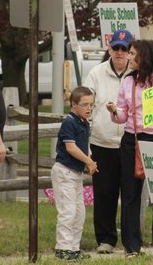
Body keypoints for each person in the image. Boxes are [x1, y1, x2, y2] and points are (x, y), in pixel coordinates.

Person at [107, 40, 153, 258]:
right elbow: (121, 117)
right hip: (132, 140)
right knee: (130, 194)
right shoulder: (127, 82)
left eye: (132, 53)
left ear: (144, 56)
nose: (128, 57)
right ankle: (132, 247)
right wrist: (114, 111)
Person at [85, 29, 134, 254]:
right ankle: (106, 239)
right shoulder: (96, 73)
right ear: (109, 49)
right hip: (102, 142)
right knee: (104, 193)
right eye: (116, 48)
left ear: (131, 51)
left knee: (130, 193)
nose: (120, 53)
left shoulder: (137, 75)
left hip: (130, 142)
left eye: (125, 49)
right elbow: (85, 106)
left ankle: (131, 239)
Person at [51, 87, 97, 261]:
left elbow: (84, 147)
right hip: (64, 172)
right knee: (68, 211)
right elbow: (71, 148)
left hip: (76, 173)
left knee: (79, 212)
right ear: (73, 104)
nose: (89, 108)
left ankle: (74, 248)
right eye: (85, 104)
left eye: (91, 104)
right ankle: (62, 247)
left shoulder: (84, 122)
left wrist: (89, 160)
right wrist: (88, 161)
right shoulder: (69, 122)